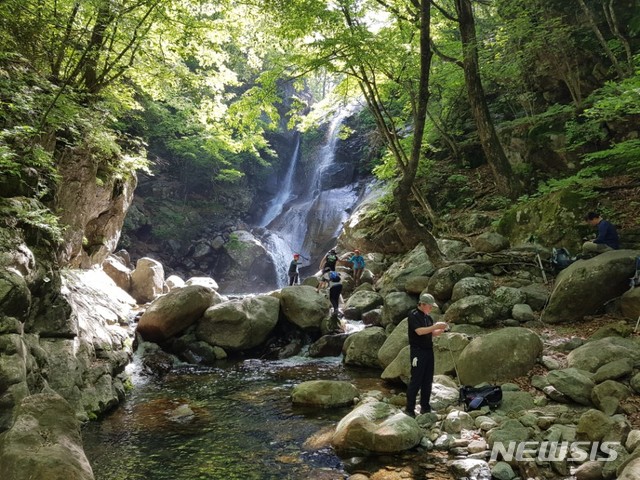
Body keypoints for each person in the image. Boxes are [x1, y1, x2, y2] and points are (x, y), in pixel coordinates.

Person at [405, 293, 448, 418]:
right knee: (416, 379)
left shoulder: (428, 318)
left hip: (429, 351)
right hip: (417, 352)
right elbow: (419, 331)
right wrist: (435, 326)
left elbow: (431, 333)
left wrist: (442, 329)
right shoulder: (413, 315)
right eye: (430, 306)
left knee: (428, 380)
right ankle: (409, 409)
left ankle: (425, 407)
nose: (431, 308)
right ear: (422, 304)